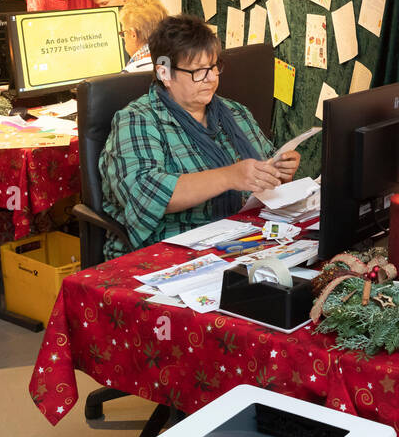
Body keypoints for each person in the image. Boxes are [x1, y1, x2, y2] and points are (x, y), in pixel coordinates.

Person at [99, 14, 300, 258]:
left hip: (238, 236)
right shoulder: (137, 120)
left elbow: (265, 169)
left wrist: (280, 170)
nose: (212, 78)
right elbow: (146, 193)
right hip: (171, 248)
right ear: (164, 73)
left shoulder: (234, 112)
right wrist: (229, 177)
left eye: (214, 67)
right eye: (198, 72)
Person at [118, 0, 167, 72]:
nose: (124, 38)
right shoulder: (176, 63)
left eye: (123, 33)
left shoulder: (129, 73)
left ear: (133, 35)